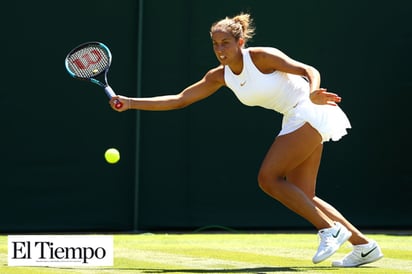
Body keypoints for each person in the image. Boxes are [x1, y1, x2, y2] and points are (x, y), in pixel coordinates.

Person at [110, 13, 383, 267]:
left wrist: (313, 92)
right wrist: (130, 102)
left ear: (240, 42)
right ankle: (364, 247)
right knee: (305, 194)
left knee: (269, 178)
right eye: (215, 44)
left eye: (226, 43)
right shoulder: (219, 76)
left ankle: (328, 229)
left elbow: (307, 69)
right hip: (295, 116)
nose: (220, 50)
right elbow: (181, 99)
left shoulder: (262, 56)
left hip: (309, 108)